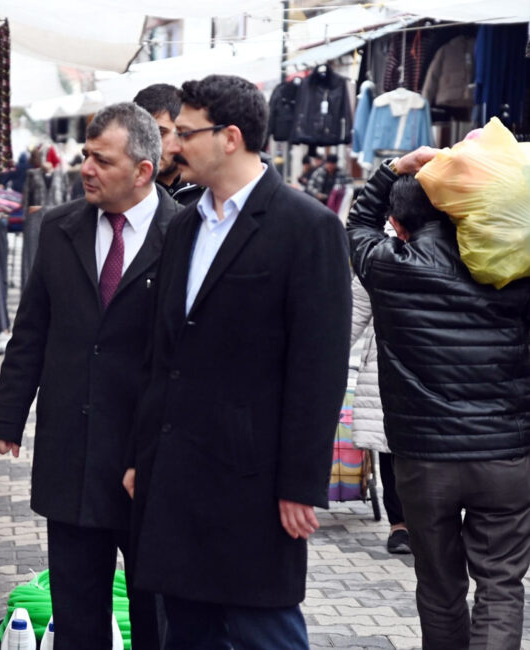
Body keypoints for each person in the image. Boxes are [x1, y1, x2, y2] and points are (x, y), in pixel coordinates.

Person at [123, 75, 351, 648]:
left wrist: (301, 483)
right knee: (186, 631)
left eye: (185, 133)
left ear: (229, 137)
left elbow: (319, 367)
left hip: (253, 479)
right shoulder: (184, 227)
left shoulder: (308, 227)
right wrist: (140, 456)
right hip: (177, 474)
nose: (172, 147)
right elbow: (162, 357)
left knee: (264, 628)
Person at [0, 102, 181, 649]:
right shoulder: (59, 228)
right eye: (85, 156)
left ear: (143, 170)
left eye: (101, 159)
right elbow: (32, 328)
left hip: (147, 461)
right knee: (77, 616)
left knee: (156, 617)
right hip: (71, 452)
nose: (85, 169)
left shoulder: (185, 234)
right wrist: (8, 415)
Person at [347, 149, 530, 648]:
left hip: (425, 462)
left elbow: (357, 225)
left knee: (440, 587)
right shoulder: (515, 269)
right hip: (506, 456)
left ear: (398, 225)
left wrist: (392, 169)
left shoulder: (389, 266)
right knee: (501, 584)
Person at [349, 275, 410, 555]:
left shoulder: (464, 244)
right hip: (388, 362)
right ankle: (399, 525)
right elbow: (351, 315)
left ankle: (432, 525)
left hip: (444, 361)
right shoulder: (381, 254)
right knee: (389, 443)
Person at [132, 83, 204, 206]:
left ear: (182, 131)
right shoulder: (124, 194)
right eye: (140, 134)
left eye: (160, 133)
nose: (150, 144)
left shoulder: (211, 188)